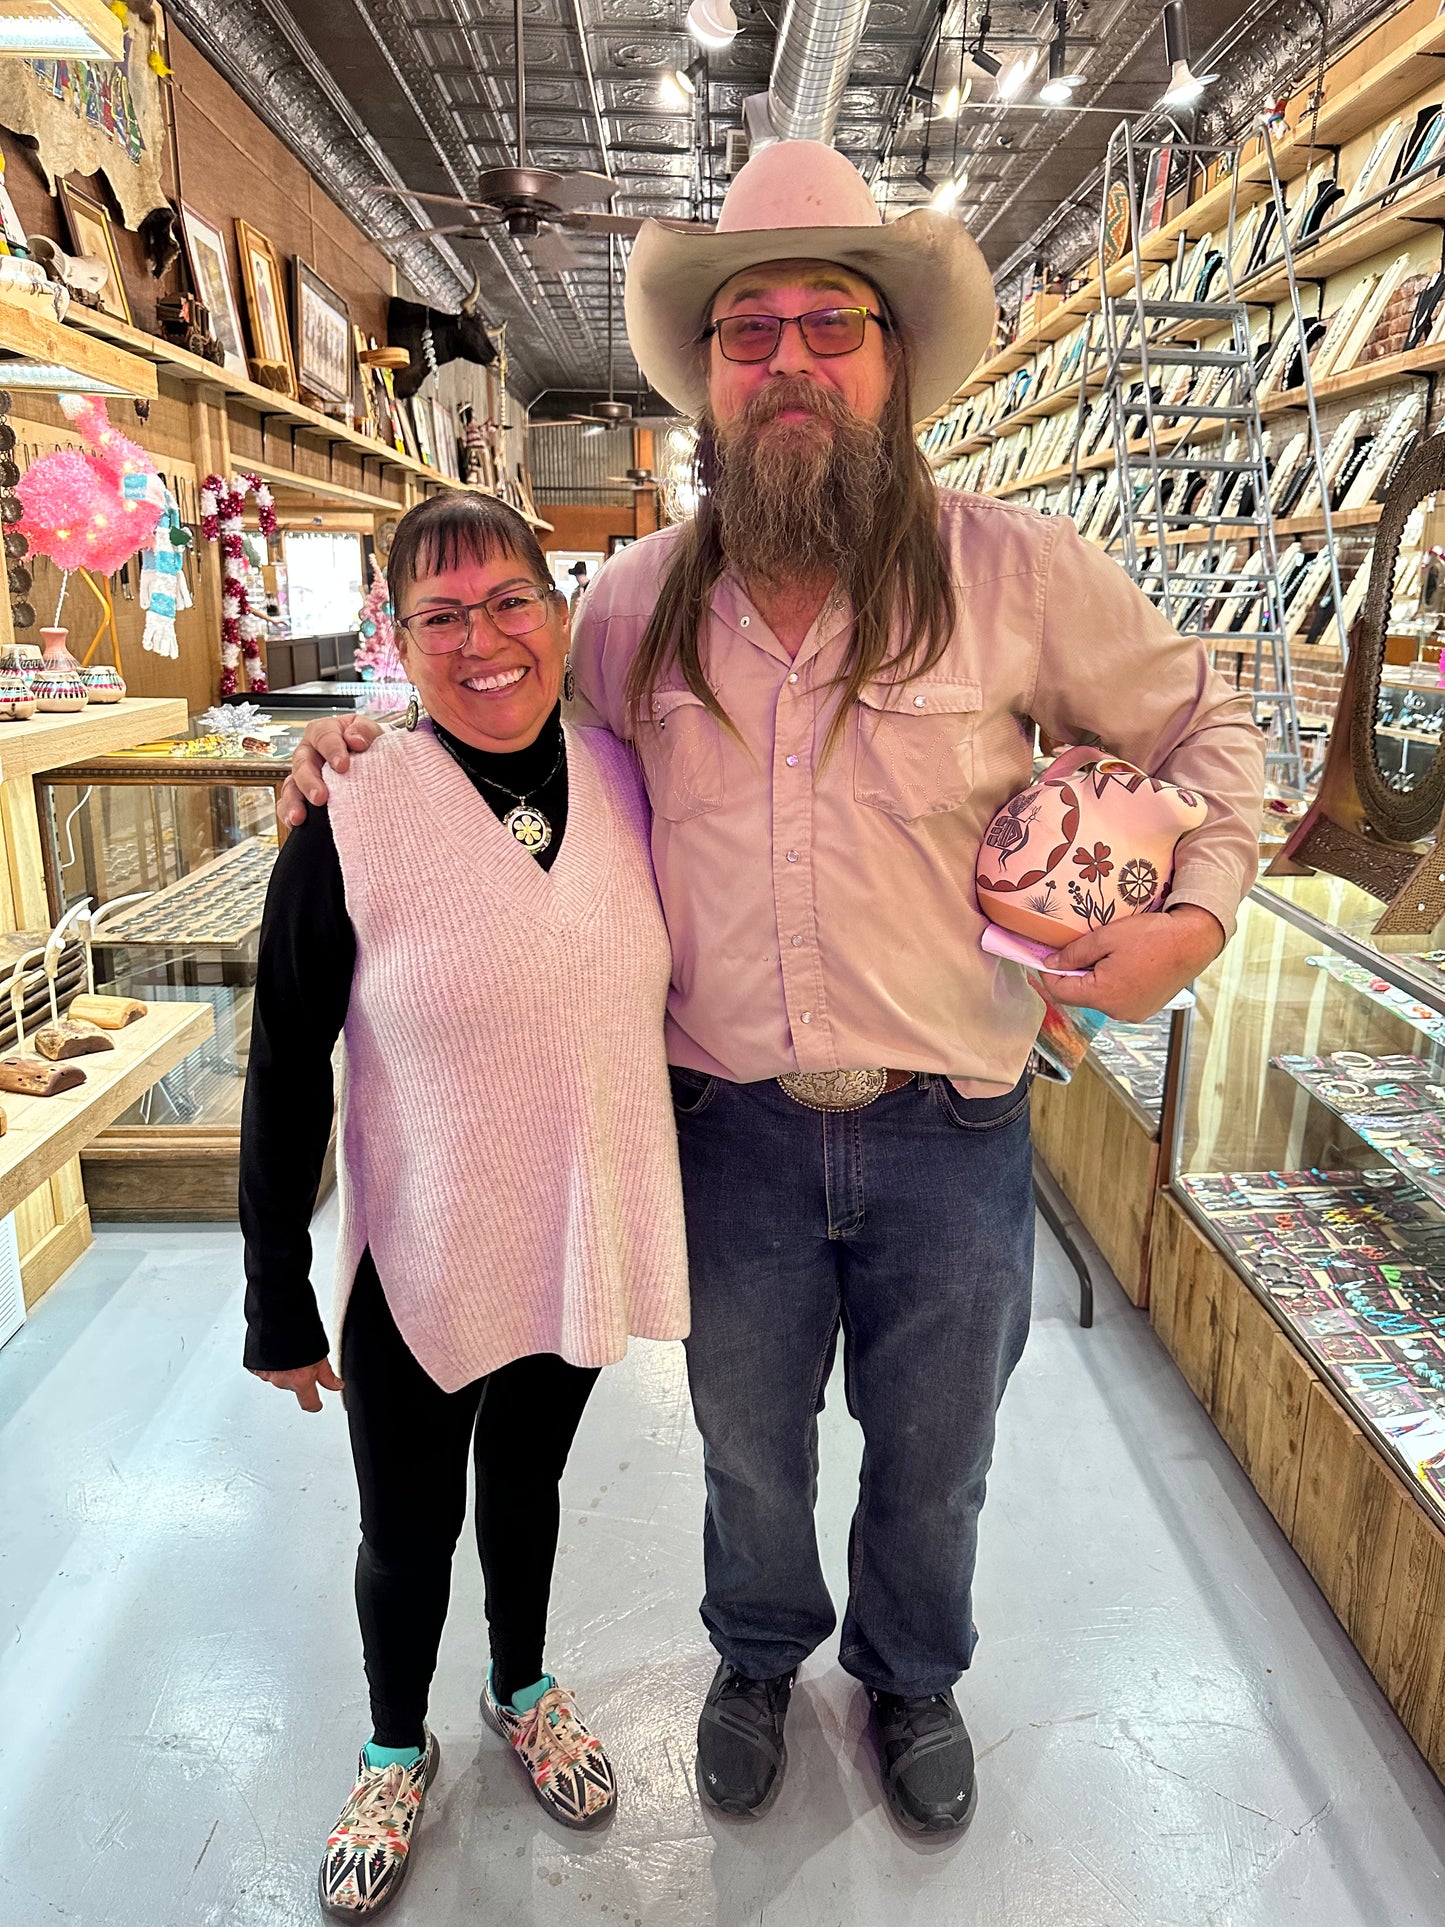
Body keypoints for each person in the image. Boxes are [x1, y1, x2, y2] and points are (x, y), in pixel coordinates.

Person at [281, 141, 1265, 1839]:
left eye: (831, 323)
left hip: (953, 1126)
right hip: (718, 1131)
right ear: (712, 381)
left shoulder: (1018, 575)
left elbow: (1211, 735)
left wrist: (1191, 919)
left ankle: (909, 1671)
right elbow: (506, 736)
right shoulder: (638, 608)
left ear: (888, 367)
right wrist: (353, 757)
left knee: (935, 1452)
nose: (790, 358)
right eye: (750, 331)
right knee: (746, 1453)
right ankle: (755, 1653)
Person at [242, 492, 689, 1917]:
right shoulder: (350, 811)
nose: (483, 640)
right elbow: (284, 1062)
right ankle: (392, 1743)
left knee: (530, 1485)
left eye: (510, 602)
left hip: (577, 1232)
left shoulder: (628, 780)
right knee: (406, 1523)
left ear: (560, 617)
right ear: (399, 637)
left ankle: (519, 1684)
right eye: (440, 615)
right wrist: (275, 1294)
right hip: (420, 1260)